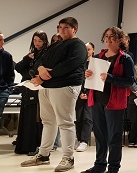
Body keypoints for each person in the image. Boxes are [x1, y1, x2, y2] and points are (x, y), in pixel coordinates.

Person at [20, 17, 87, 172]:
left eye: (66, 27)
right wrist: (40, 69)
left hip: (65, 86)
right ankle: (43, 154)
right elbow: (39, 59)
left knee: (65, 122)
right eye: (60, 27)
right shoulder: (56, 44)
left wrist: (42, 76)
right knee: (48, 122)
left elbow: (70, 64)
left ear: (74, 29)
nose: (61, 30)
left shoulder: (78, 45)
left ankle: (68, 157)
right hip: (47, 87)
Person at [83, 26, 135, 173]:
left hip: (115, 103)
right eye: (106, 36)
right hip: (97, 100)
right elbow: (93, 76)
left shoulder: (125, 58)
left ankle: (113, 167)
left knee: (114, 137)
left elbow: (129, 81)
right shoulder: (99, 56)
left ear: (119, 40)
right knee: (99, 135)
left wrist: (110, 78)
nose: (108, 39)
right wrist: (88, 74)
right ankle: (99, 165)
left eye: (112, 37)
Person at [15, 31, 48, 155]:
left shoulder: (46, 54)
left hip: (39, 90)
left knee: (37, 118)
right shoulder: (31, 54)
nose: (37, 43)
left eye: (39, 41)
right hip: (28, 89)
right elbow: (18, 68)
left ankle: (36, 146)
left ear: (44, 41)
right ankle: (24, 146)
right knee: (26, 117)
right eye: (35, 40)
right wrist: (27, 58)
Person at [74, 42, 95, 152]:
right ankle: (79, 138)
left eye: (89, 49)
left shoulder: (95, 64)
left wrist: (88, 93)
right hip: (79, 93)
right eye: (85, 49)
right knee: (78, 117)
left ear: (93, 50)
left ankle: (84, 141)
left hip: (90, 94)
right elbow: (78, 78)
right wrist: (80, 92)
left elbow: (95, 81)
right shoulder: (79, 63)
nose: (87, 51)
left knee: (87, 117)